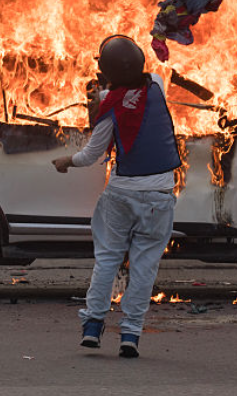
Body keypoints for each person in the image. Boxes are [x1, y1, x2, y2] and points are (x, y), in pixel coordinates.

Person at [52, 35, 182, 359]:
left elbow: (90, 154)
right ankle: (130, 335)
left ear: (106, 71)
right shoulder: (157, 85)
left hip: (121, 195)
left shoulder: (108, 105)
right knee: (144, 268)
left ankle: (93, 327)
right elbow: (137, 86)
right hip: (160, 196)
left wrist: (66, 162)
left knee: (107, 260)